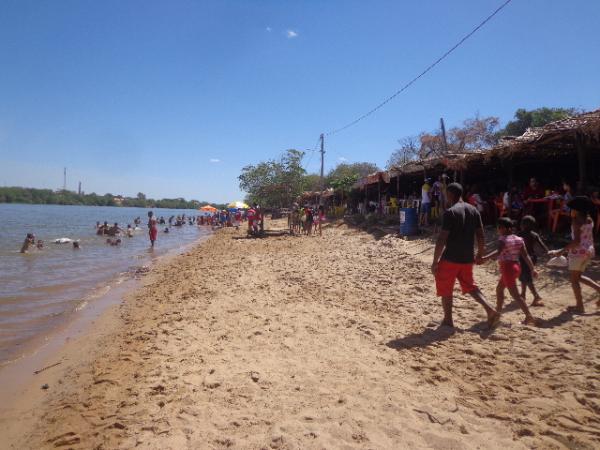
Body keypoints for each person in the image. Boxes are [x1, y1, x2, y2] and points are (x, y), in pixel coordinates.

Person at [431, 183, 499, 328]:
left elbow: (442, 239)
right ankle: (490, 309)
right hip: (467, 258)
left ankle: (448, 320)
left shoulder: (450, 212)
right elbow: (481, 236)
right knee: (470, 286)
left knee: (445, 288)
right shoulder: (473, 210)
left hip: (450, 258)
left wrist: (435, 261)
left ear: (450, 194)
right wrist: (480, 254)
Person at [481, 218, 538, 325]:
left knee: (515, 295)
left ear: (504, 228)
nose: (498, 230)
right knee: (499, 289)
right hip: (515, 267)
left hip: (507, 268)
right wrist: (532, 269)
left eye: (499, 228)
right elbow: (525, 256)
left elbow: (498, 252)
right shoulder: (519, 239)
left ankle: (529, 316)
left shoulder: (503, 239)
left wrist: (484, 258)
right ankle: (498, 312)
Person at [548, 196, 600, 313]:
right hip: (589, 251)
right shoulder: (589, 219)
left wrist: (560, 251)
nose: (570, 211)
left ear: (576, 210)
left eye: (571, 209)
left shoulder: (576, 222)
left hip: (578, 253)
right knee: (578, 277)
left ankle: (580, 306)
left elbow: (576, 241)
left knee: (574, 280)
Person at [518, 215, 548, 306]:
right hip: (533, 257)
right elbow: (543, 245)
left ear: (522, 225)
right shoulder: (535, 234)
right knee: (524, 276)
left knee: (526, 278)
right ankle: (523, 295)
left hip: (523, 258)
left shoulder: (519, 234)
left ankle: (536, 296)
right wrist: (548, 252)